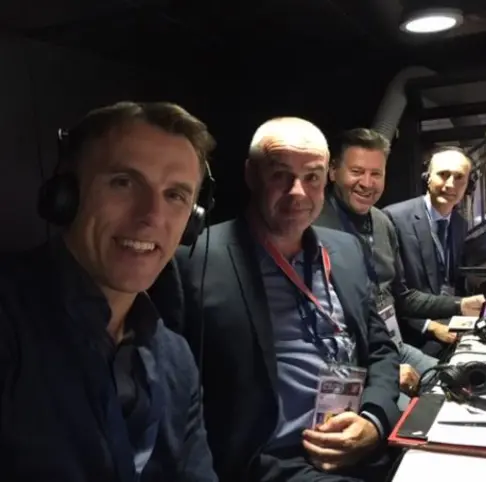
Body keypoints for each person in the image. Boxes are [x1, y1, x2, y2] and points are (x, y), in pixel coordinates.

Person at [163, 117, 400, 482]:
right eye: (280, 175)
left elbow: (382, 349)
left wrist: (373, 418)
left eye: (312, 177)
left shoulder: (346, 250)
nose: (298, 193)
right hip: (275, 462)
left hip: (364, 442)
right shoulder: (194, 260)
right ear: (250, 174)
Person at [0, 102, 218, 481]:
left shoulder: (177, 360)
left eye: (175, 195)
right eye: (124, 182)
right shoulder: (9, 318)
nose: (151, 215)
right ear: (66, 194)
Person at [315, 129, 484, 403]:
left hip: (393, 346)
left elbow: (402, 298)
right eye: (357, 171)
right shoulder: (312, 227)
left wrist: (461, 306)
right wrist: (378, 372)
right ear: (333, 171)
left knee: (465, 385)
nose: (367, 183)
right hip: (352, 363)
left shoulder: (382, 222)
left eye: (376, 174)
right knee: (429, 410)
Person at [384, 146, 476, 357]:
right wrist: (431, 327)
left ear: (468, 185)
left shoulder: (460, 224)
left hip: (450, 322)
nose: (451, 184)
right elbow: (391, 294)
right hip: (413, 335)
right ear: (427, 178)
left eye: (459, 177)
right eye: (443, 175)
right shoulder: (394, 218)